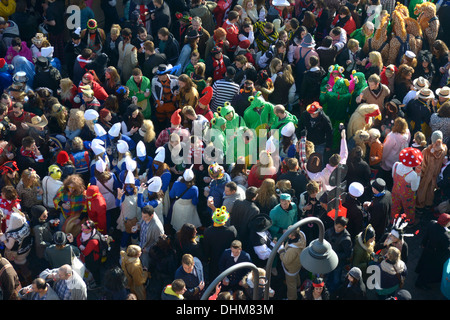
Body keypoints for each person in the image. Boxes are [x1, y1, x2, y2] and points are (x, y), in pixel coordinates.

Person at [415, 213, 450, 289]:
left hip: (427, 248)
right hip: (434, 254)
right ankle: (420, 283)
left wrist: (423, 243)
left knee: (422, 262)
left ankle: (418, 270)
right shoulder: (445, 236)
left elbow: (426, 235)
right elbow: (446, 248)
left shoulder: (432, 223)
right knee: (428, 270)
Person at [203, 207, 237, 281]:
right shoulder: (232, 231)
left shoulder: (208, 231)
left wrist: (207, 258)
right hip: (227, 259)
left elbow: (206, 248)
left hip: (213, 259)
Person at [324, 216, 353, 293]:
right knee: (328, 276)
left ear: (344, 227)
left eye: (339, 227)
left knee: (336, 280)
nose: (336, 228)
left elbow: (348, 254)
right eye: (335, 226)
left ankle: (334, 294)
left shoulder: (346, 239)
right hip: (328, 260)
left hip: (338, 263)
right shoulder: (329, 231)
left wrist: (334, 255)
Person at [277, 227, 307, 300]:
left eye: (289, 234)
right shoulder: (301, 236)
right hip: (297, 264)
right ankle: (299, 286)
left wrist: (281, 249)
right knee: (296, 276)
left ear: (293, 236)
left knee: (291, 284)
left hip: (290, 268)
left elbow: (285, 260)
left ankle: (292, 297)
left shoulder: (292, 250)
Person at [136, 205, 164, 270]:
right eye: (142, 216)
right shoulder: (145, 216)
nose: (143, 218)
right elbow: (140, 223)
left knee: (145, 266)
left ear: (151, 216)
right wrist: (137, 226)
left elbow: (158, 242)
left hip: (147, 250)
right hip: (141, 244)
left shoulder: (157, 226)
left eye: (145, 217)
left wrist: (148, 249)